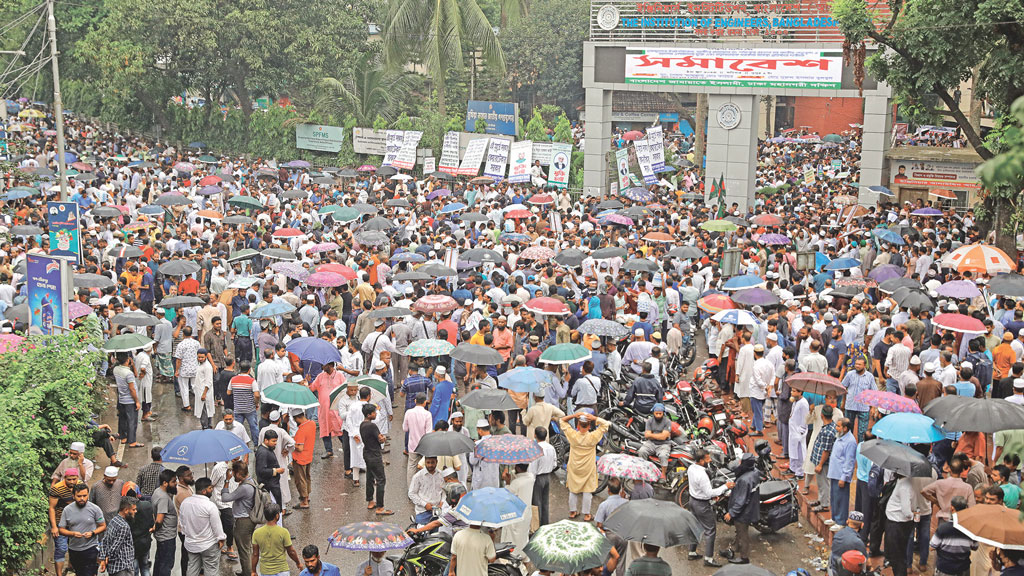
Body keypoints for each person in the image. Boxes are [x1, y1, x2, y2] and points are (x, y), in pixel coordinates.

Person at [559, 411, 610, 521]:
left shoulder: (572, 435)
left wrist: (573, 415)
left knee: (573, 489)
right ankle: (587, 514)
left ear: (577, 425)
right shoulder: (593, 437)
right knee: (587, 490)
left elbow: (561, 420)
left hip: (574, 467)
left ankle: (572, 511)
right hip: (588, 468)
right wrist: (594, 418)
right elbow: (606, 424)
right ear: (589, 426)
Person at [687, 448, 732, 567]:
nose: (710, 460)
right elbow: (709, 493)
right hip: (702, 504)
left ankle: (692, 552)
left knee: (695, 526)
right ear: (701, 460)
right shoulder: (702, 475)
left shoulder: (691, 468)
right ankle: (709, 559)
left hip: (692, 500)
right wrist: (725, 486)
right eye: (707, 458)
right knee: (710, 530)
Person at [179, 477, 226, 576]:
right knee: (211, 571)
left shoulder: (185, 503)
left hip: (191, 544)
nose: (212, 490)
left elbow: (182, 523)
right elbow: (217, 526)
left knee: (192, 569)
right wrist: (221, 539)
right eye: (210, 488)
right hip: (208, 545)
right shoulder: (210, 506)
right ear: (204, 491)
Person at [58, 483, 106, 576]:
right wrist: (72, 534)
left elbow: (103, 526)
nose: (82, 499)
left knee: (89, 572)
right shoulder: (67, 510)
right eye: (79, 496)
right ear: (73, 496)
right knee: (80, 572)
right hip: (74, 549)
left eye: (85, 496)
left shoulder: (95, 509)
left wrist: (93, 533)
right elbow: (61, 529)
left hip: (90, 548)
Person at [721, 454, 760, 566]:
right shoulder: (755, 472)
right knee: (739, 532)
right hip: (751, 508)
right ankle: (732, 549)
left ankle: (744, 557)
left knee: (742, 534)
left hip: (744, 513)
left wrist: (731, 513)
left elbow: (741, 501)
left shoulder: (744, 480)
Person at [222, 461, 258, 576]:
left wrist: (227, 481)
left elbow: (225, 497)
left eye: (233, 473)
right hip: (248, 519)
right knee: (246, 548)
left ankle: (247, 573)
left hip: (243, 521)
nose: (232, 475)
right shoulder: (251, 480)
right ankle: (246, 571)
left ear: (238, 474)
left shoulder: (244, 488)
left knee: (244, 550)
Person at [929, 497, 976, 576]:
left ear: (952, 508)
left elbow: (932, 547)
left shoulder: (943, 528)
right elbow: (975, 547)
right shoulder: (970, 529)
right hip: (963, 569)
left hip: (945, 569)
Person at [251, 503, 302, 576]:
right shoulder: (283, 532)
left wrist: (253, 570)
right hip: (282, 570)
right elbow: (291, 552)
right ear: (277, 516)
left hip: (265, 571)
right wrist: (298, 563)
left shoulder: (256, 533)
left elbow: (255, 554)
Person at [361, 402, 392, 515]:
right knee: (381, 479)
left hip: (367, 453)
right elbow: (381, 439)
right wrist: (383, 438)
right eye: (374, 412)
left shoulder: (362, 425)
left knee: (370, 477)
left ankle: (370, 501)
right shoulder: (372, 426)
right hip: (374, 455)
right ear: (369, 414)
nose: (375, 414)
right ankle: (380, 507)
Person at [50, 467, 81, 576]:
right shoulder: (57, 488)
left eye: (74, 479)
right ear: (64, 478)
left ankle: (71, 567)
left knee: (74, 546)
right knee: (61, 548)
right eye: (69, 479)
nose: (72, 482)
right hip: (60, 523)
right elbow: (52, 508)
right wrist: (54, 526)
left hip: (75, 522)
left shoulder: (80, 486)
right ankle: (59, 574)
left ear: (77, 477)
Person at [828, 418, 858, 529]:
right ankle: (834, 517)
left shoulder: (850, 441)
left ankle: (840, 521)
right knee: (834, 496)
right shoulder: (840, 436)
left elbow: (849, 461)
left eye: (839, 426)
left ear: (845, 428)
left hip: (841, 474)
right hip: (834, 472)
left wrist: (844, 477)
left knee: (842, 498)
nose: (836, 428)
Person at [97, 497, 137, 576]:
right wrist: (106, 559)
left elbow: (105, 540)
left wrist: (103, 558)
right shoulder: (124, 526)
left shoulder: (114, 520)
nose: (135, 511)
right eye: (133, 509)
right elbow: (114, 548)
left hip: (113, 568)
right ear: (126, 510)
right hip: (123, 568)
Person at [500, 463, 534, 554]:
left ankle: (513, 558)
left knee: (513, 539)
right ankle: (524, 556)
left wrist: (507, 483)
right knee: (523, 537)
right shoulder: (531, 477)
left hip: (516, 514)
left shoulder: (516, 483)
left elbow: (507, 496)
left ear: (518, 468)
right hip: (526, 513)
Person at [528, 426, 558, 527]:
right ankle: (545, 524)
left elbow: (533, 469)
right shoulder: (551, 447)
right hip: (547, 477)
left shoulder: (536, 448)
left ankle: (537, 525)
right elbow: (555, 464)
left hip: (538, 478)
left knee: (536, 503)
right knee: (545, 502)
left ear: (535, 435)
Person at [113, 353, 143, 447]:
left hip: (121, 398)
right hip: (129, 400)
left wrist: (131, 365)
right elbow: (132, 389)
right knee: (132, 421)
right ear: (127, 360)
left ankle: (123, 437)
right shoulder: (128, 373)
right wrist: (137, 401)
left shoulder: (116, 369)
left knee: (123, 419)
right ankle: (132, 441)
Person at [151, 470, 178, 576]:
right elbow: (159, 520)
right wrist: (155, 528)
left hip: (163, 537)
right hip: (167, 537)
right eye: (173, 481)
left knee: (159, 562)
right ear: (165, 483)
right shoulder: (163, 498)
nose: (175, 483)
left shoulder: (158, 491)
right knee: (166, 565)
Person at [637, 403, 672, 477]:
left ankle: (663, 474)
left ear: (663, 413)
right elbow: (647, 435)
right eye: (657, 413)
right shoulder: (649, 421)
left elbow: (663, 437)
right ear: (653, 413)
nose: (658, 415)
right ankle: (644, 470)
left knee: (663, 456)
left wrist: (652, 435)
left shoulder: (667, 421)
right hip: (651, 443)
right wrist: (660, 435)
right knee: (641, 451)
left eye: (660, 413)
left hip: (664, 444)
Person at [408, 455, 444, 525]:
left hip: (438, 512)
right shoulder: (418, 476)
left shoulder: (441, 475)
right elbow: (411, 493)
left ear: (437, 462)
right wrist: (425, 504)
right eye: (428, 462)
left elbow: (444, 492)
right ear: (425, 462)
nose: (430, 465)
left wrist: (442, 502)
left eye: (432, 462)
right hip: (423, 512)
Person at [829, 511, 867, 576]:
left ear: (847, 522)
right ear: (862, 525)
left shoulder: (837, 535)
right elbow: (866, 563)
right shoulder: (858, 542)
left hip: (833, 570)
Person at [255, 430, 286, 508]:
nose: (275, 443)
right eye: (273, 441)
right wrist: (276, 470)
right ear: (266, 440)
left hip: (272, 485)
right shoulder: (263, 452)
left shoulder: (268, 449)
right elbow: (261, 471)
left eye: (276, 441)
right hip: (269, 487)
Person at [292, 410, 316, 508]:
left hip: (300, 459)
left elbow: (300, 448)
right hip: (308, 456)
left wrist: (292, 444)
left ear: (297, 418)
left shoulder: (301, 430)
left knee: (300, 480)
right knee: (307, 477)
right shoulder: (312, 424)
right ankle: (307, 495)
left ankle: (304, 501)